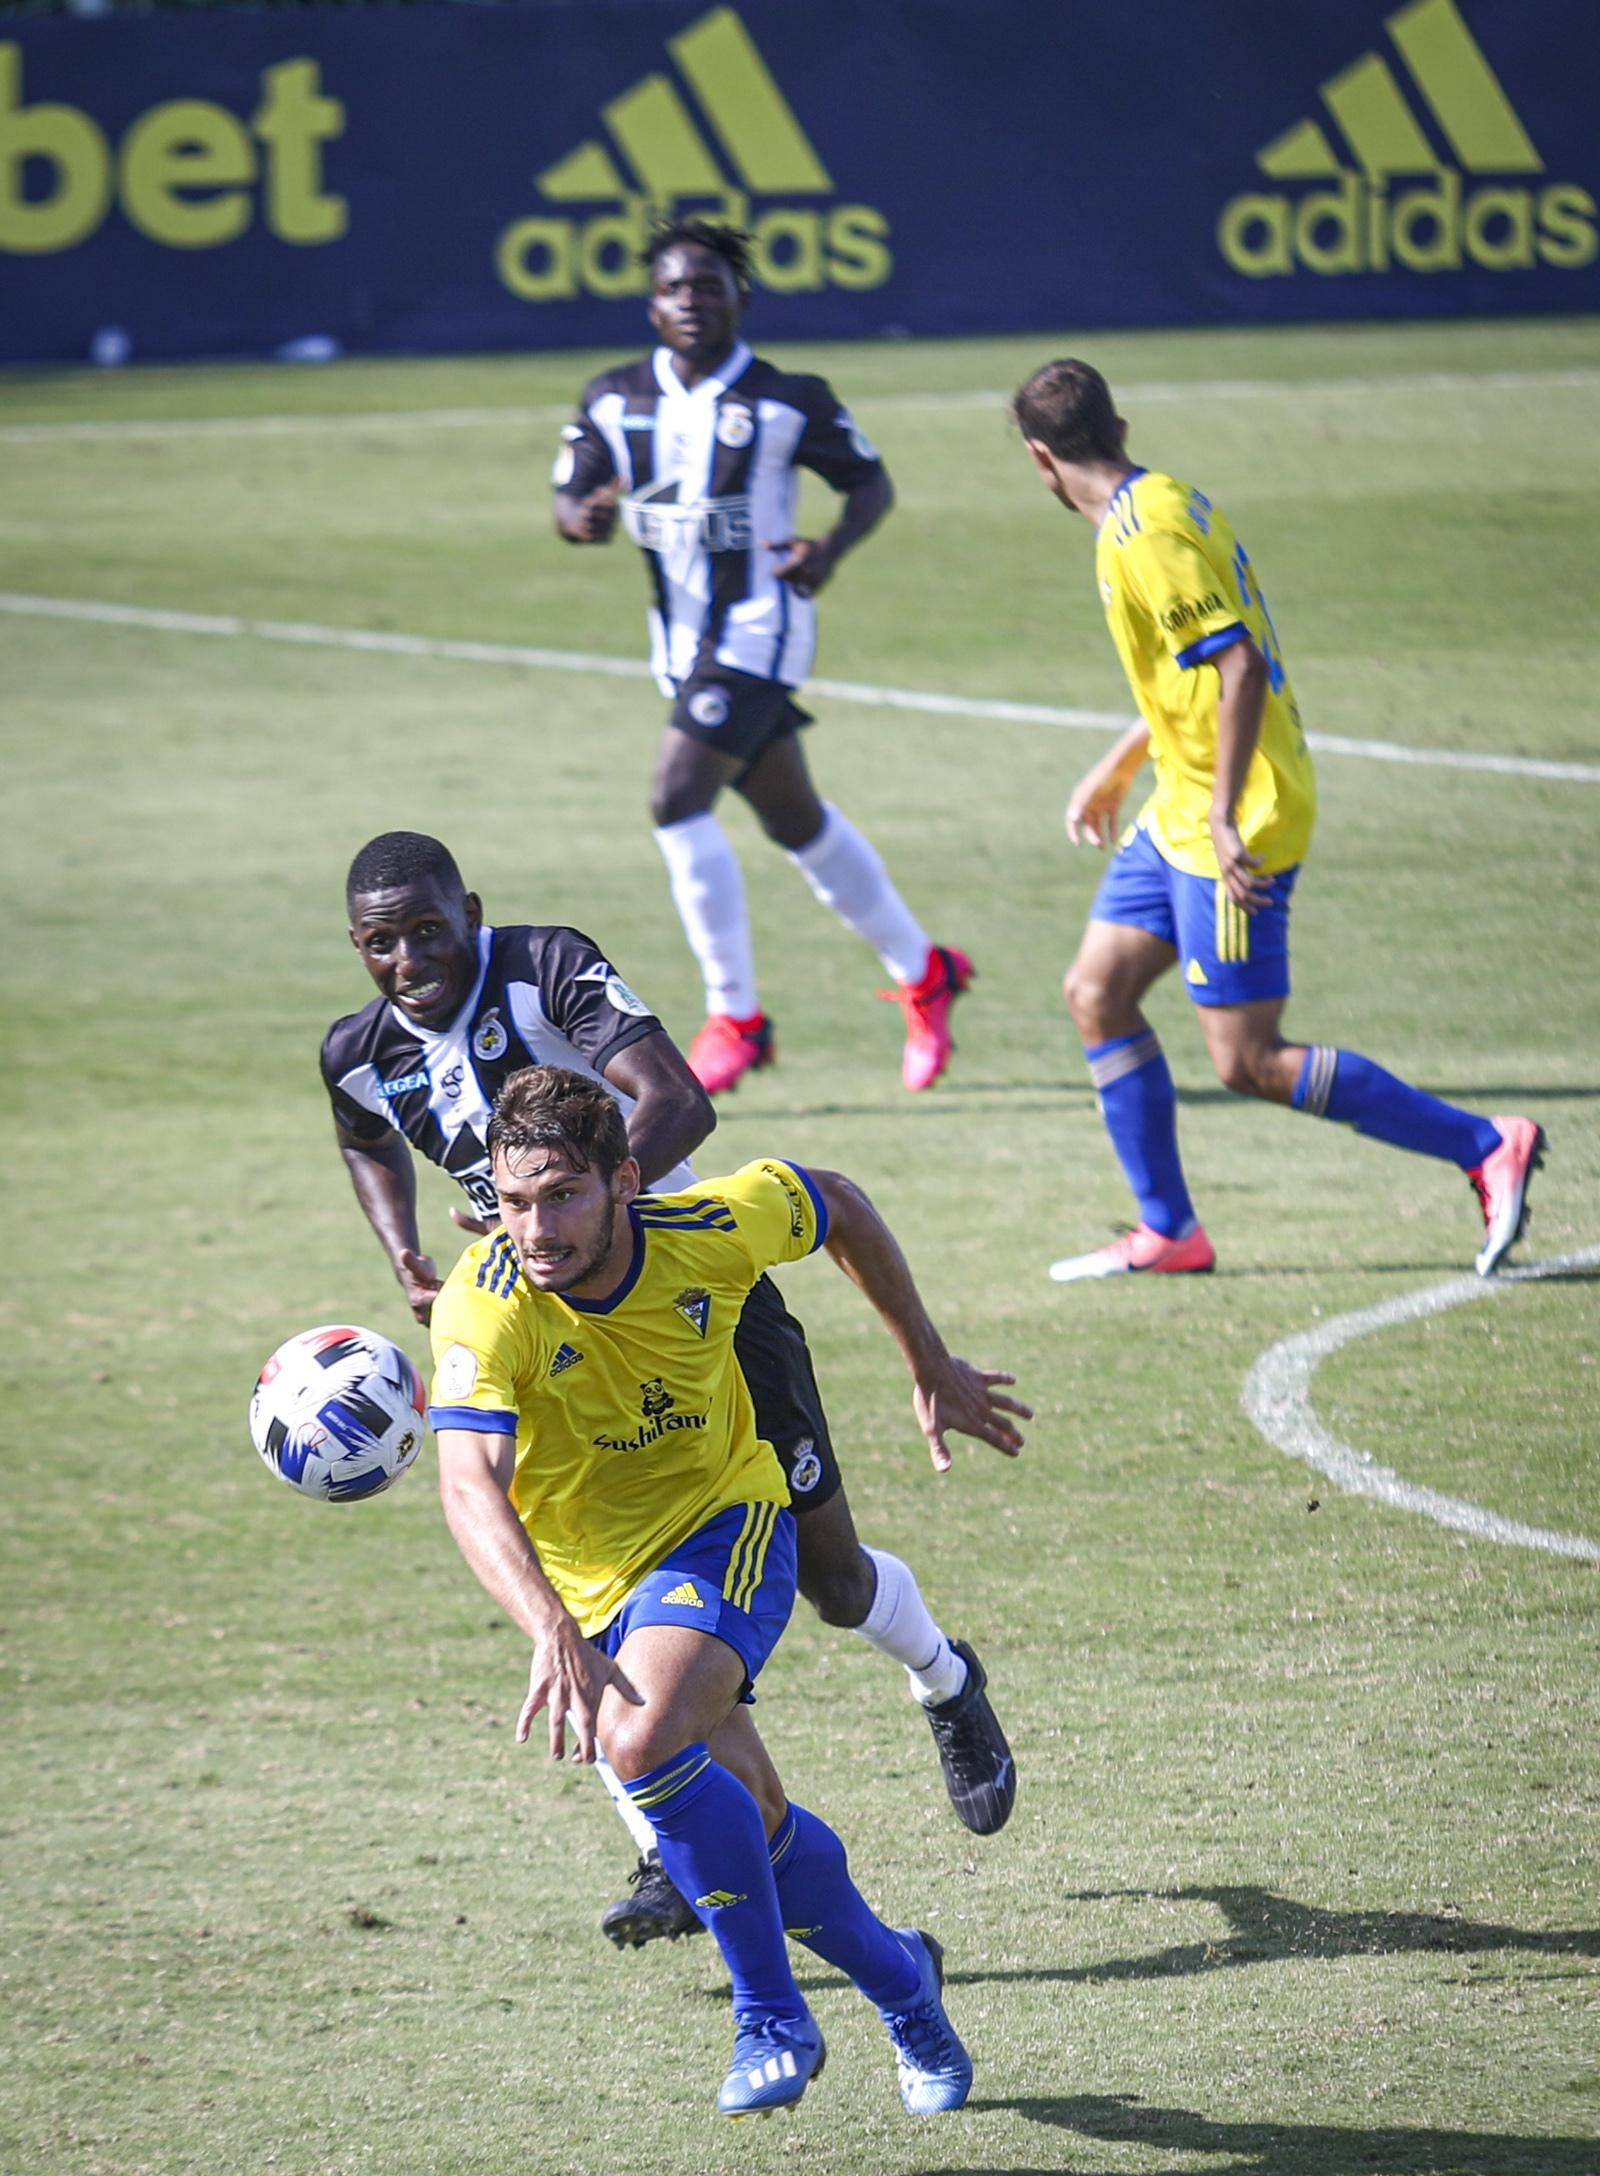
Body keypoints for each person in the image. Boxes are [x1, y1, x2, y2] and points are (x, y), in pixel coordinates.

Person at [321, 830, 1024, 1950]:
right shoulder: (358, 1052)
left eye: (427, 930)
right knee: (598, 1598)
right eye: (380, 942)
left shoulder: (546, 968)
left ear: (471, 911)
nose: (408, 958)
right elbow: (363, 1135)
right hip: (551, 1346)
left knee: (835, 1586)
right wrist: (403, 1243)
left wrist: (601, 1231)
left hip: (706, 1316)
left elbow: (679, 1097)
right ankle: (666, 1844)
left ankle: (943, 1679)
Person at [428, 1065, 986, 2116]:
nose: (533, 1228)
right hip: (592, 1587)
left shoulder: (712, 1227)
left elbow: (842, 1206)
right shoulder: (485, 1303)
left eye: (562, 1196)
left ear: (624, 1181)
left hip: (723, 1528)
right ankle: (905, 1980)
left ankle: (768, 2012)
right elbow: (466, 1485)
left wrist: (929, 1359)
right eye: (510, 1201)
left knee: (635, 1745)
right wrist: (551, 1620)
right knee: (754, 1816)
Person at [1011, 358, 1544, 1283]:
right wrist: (1119, 765)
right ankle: (1169, 1229)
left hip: (1239, 813)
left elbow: (1240, 666)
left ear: (1039, 459)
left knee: (1247, 1059)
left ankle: (1485, 1143)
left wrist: (1221, 818)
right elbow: (1190, 670)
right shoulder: (1158, 501)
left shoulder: (1144, 537)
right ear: (1121, 430)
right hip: (1180, 800)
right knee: (1096, 993)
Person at [551, 215, 971, 1098]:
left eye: (710, 285)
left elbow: (871, 483)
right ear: (652, 305)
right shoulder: (612, 399)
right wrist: (581, 518)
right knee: (796, 822)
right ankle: (924, 970)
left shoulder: (789, 401)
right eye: (675, 288)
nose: (692, 301)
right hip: (681, 647)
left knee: (675, 799)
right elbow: (571, 497)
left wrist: (829, 549)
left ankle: (734, 1016)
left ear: (743, 297)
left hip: (759, 629)